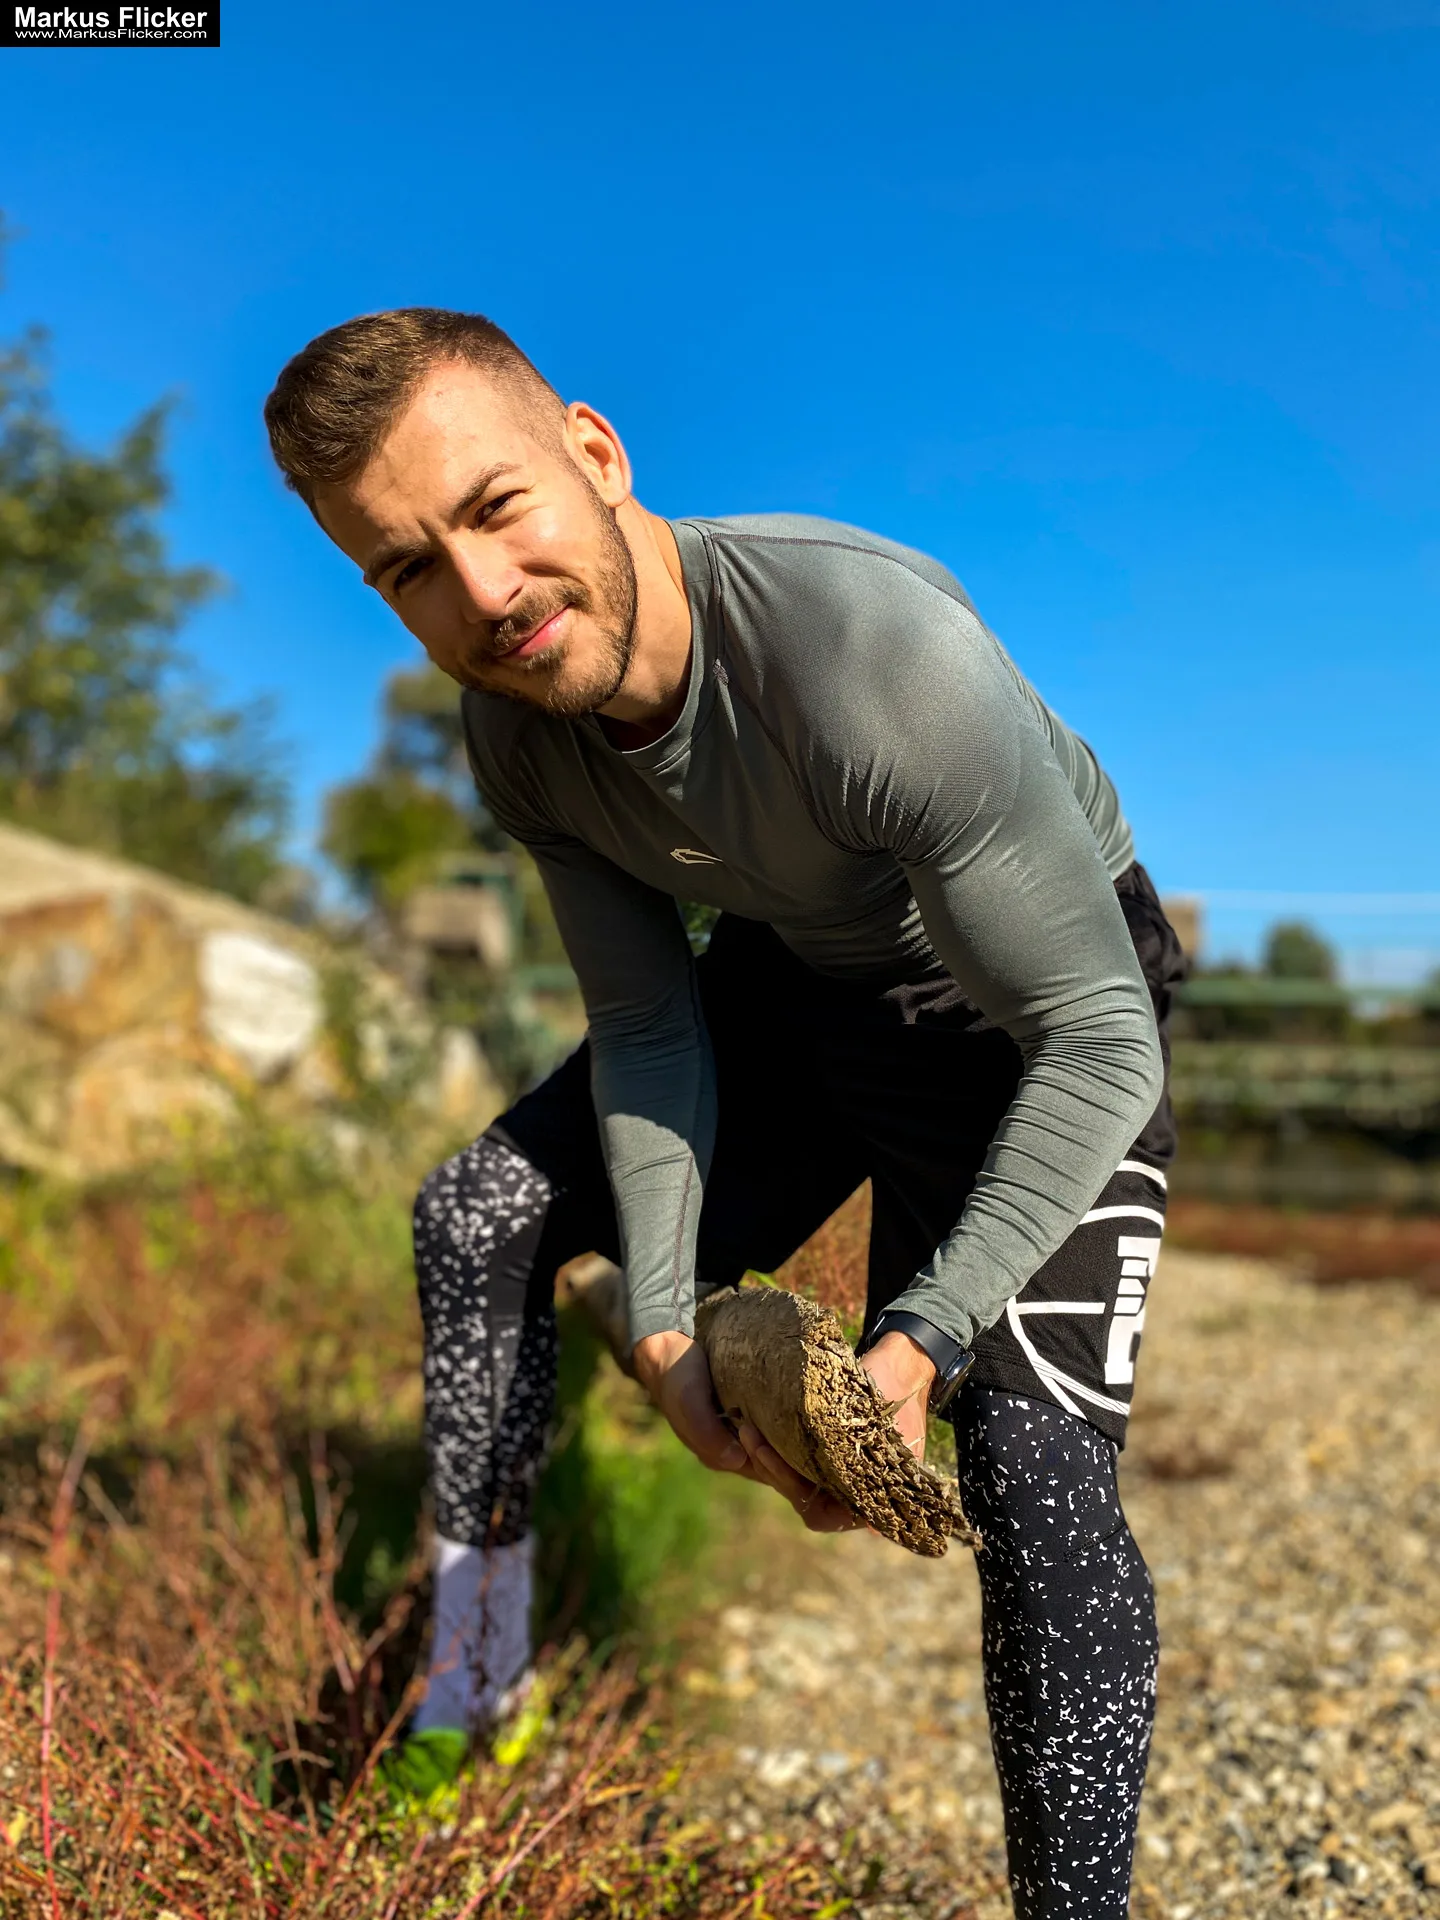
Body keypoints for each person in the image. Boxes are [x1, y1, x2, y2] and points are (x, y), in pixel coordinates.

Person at [264, 309, 1186, 1919]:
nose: (480, 597)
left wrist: (921, 1339)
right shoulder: (522, 736)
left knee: (1032, 1465)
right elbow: (647, 1025)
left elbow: (1103, 1040)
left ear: (596, 455)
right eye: (407, 569)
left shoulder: (865, 648)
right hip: (793, 992)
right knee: (477, 1214)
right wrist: (678, 1329)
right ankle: (477, 1690)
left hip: (1028, 1014)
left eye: (495, 510)